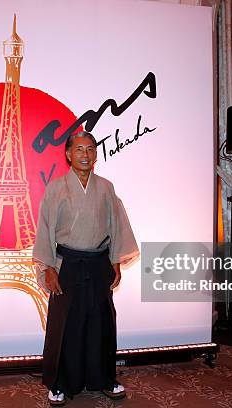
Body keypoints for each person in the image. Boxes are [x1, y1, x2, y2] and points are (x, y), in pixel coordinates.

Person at [32, 131, 139, 406]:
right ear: (68, 154)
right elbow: (45, 229)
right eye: (79, 149)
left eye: (90, 149)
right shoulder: (56, 188)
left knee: (102, 324)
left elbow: (116, 225)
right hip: (66, 264)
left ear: (95, 154)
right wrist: (47, 267)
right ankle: (60, 383)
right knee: (65, 325)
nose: (85, 154)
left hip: (98, 263)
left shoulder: (106, 187)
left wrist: (115, 261)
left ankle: (103, 378)